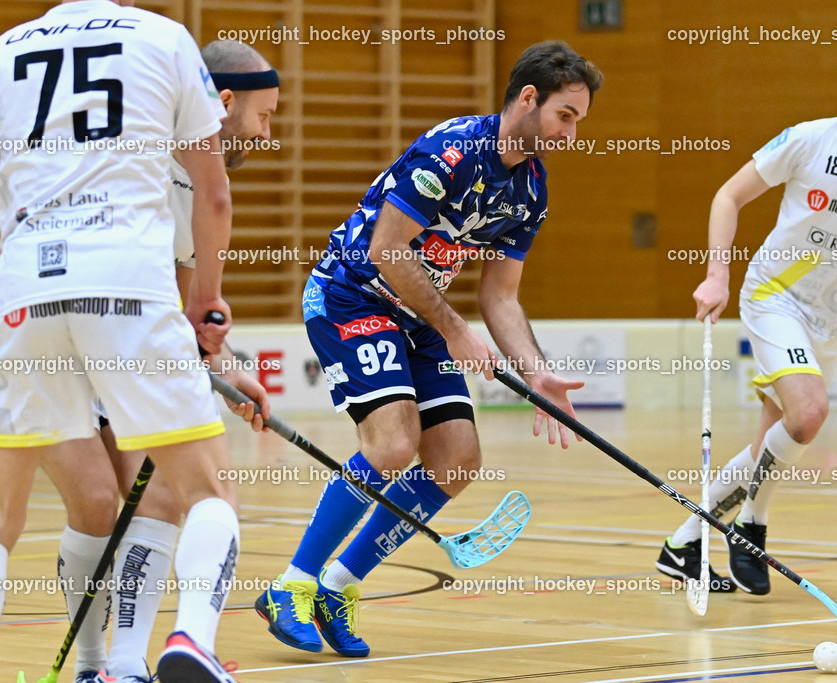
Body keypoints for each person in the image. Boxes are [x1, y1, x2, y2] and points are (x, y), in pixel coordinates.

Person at [253, 40, 603, 657]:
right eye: (565, 116)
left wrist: (538, 374)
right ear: (528, 98)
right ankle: (292, 586)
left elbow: (500, 296)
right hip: (354, 294)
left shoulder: (531, 191)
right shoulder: (453, 152)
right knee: (391, 446)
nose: (572, 134)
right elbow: (388, 250)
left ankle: (338, 586)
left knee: (456, 460)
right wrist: (454, 329)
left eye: (579, 121)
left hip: (416, 315)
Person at [0, 2, 243, 682]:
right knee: (208, 486)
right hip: (128, 283)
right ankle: (191, 642)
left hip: (24, 290)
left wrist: (33, 293)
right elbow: (212, 198)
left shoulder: (0, 51)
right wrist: (206, 299)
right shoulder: (164, 37)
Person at [656, 22, 837, 595]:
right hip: (773, 296)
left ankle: (684, 543)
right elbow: (727, 196)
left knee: (774, 438)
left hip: (830, 316)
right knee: (808, 415)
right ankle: (752, 526)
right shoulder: (809, 139)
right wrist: (717, 275)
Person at [39, 39, 279, 683]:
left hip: (66, 328)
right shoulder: (191, 172)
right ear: (223, 103)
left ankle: (118, 666)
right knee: (152, 496)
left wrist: (224, 370)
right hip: (74, 329)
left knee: (137, 498)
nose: (266, 132)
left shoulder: (169, 155)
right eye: (263, 115)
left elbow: (179, 305)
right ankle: (117, 660)